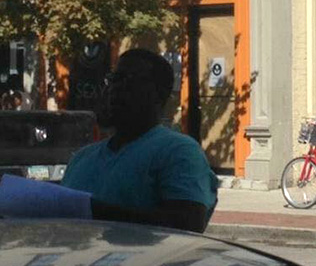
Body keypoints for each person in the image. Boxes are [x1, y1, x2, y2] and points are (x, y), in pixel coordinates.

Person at [61, 48, 218, 233]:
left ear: (158, 94)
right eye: (112, 79)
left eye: (127, 80)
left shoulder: (179, 151)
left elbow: (185, 226)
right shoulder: (81, 159)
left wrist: (91, 211)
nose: (114, 89)